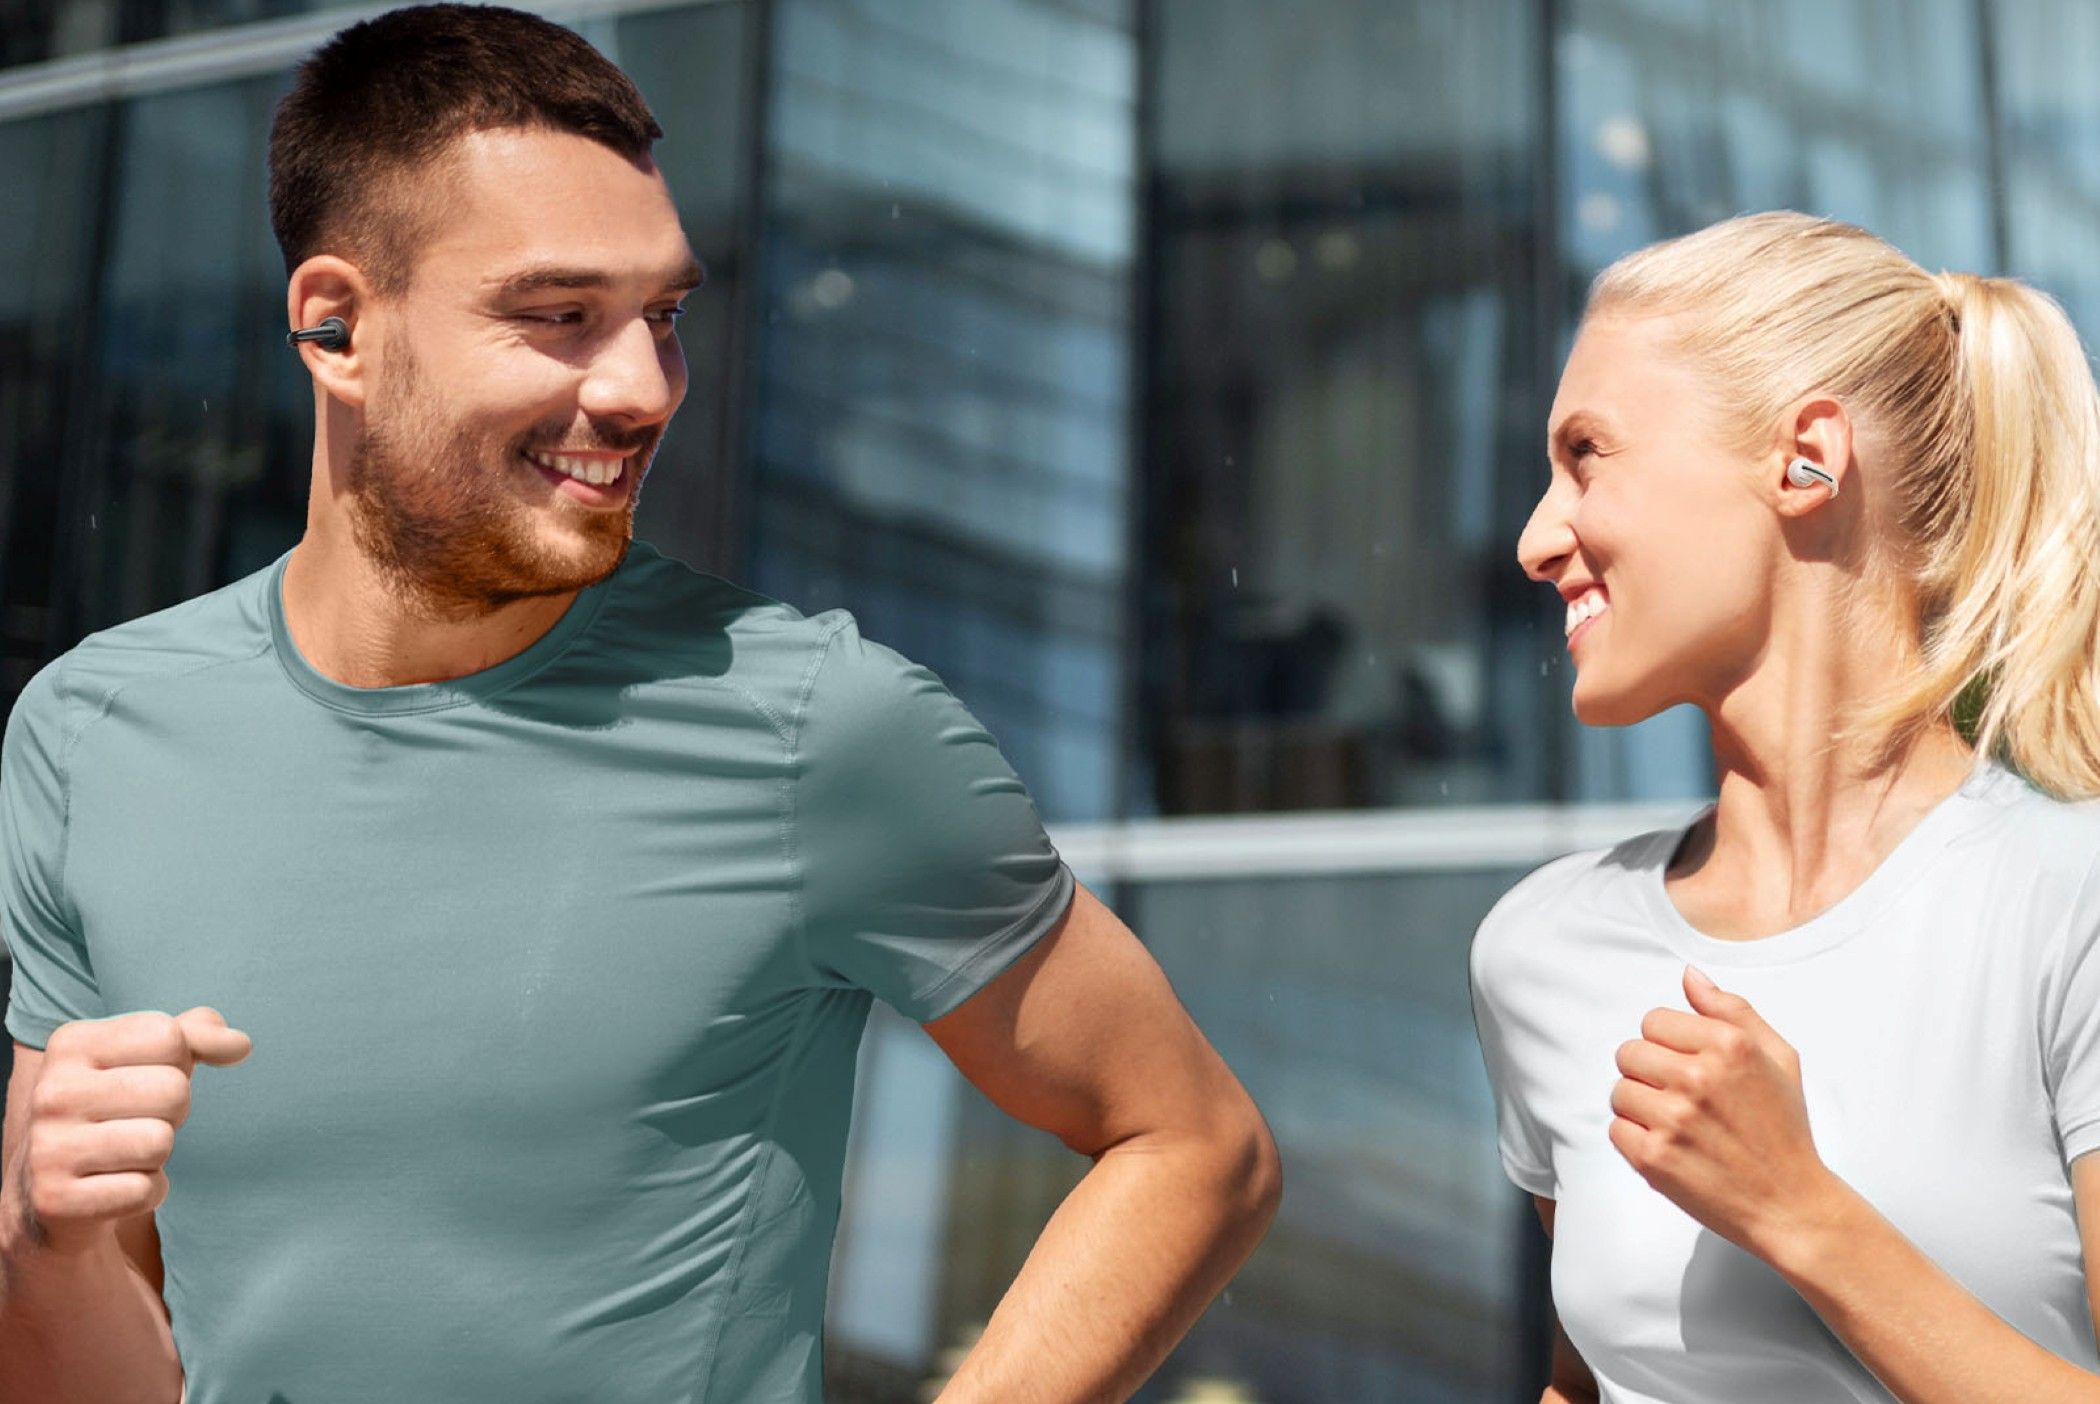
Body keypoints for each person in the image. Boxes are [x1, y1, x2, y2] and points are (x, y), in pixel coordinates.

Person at [0, 8, 1281, 1403]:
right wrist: (45, 1248)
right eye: (560, 318)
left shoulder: (819, 726)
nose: (641, 386)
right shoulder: (90, 734)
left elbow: (1194, 1146)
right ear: (337, 328)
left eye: (662, 315)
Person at [1471, 210, 2100, 1403]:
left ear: (1807, 457)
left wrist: (1800, 1214)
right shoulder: (1540, 949)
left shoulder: (2071, 902)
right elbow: (1592, 1381)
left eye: (1587, 455)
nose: (1535, 540)